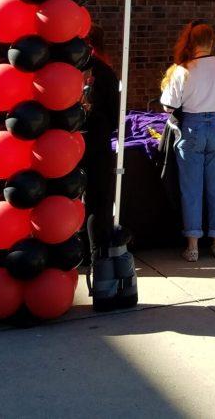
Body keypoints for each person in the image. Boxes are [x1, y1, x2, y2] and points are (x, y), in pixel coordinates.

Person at [160, 20, 215, 262]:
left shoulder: (182, 69)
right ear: (212, 42)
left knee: (191, 188)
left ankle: (193, 245)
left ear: (191, 42)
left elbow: (167, 105)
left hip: (192, 128)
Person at [82, 26, 119, 263]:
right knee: (98, 199)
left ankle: (81, 251)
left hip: (66, 145)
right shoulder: (105, 72)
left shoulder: (59, 69)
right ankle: (97, 252)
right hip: (97, 142)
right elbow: (116, 116)